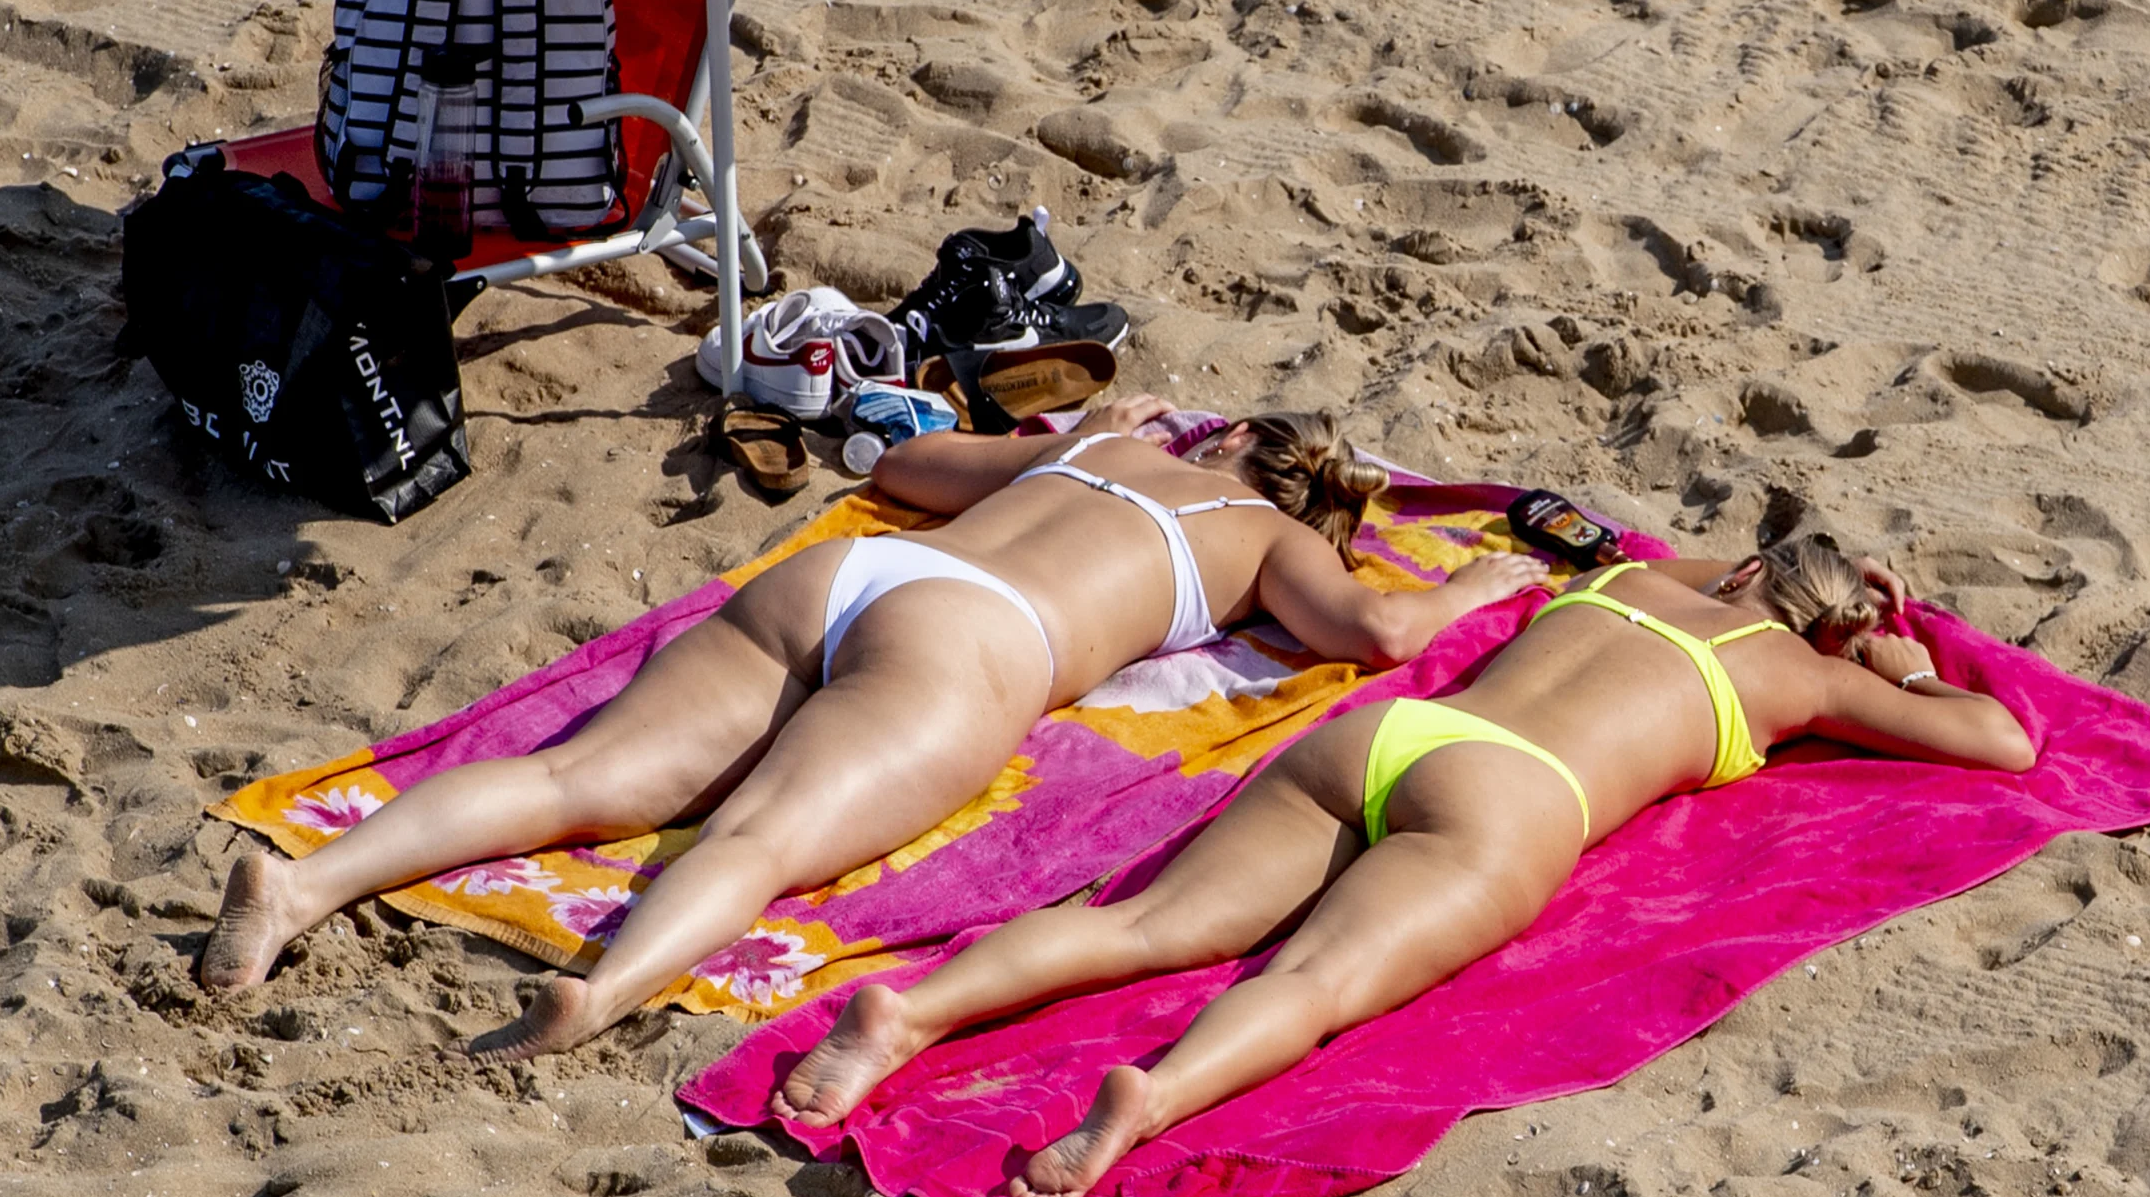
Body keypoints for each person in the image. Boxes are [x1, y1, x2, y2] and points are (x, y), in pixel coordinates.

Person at [199, 397, 1546, 1057]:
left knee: (572, 777)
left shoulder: (1098, 448)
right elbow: (1375, 633)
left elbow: (901, 468)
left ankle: (303, 885)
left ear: (1223, 434)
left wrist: (1083, 427)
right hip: (976, 643)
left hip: (856, 573)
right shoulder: (1267, 540)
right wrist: (1473, 587)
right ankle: (598, 995)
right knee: (760, 840)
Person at [777, 530, 2036, 1197]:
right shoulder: (1801, 677)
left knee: (1148, 923)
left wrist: (1769, 564)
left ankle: (906, 1017)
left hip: (1396, 734)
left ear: (1747, 569)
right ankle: (1146, 1103)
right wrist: (1908, 659)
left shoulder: (1633, 579)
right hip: (1515, 798)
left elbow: (1709, 559)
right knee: (1313, 984)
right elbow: (2003, 742)